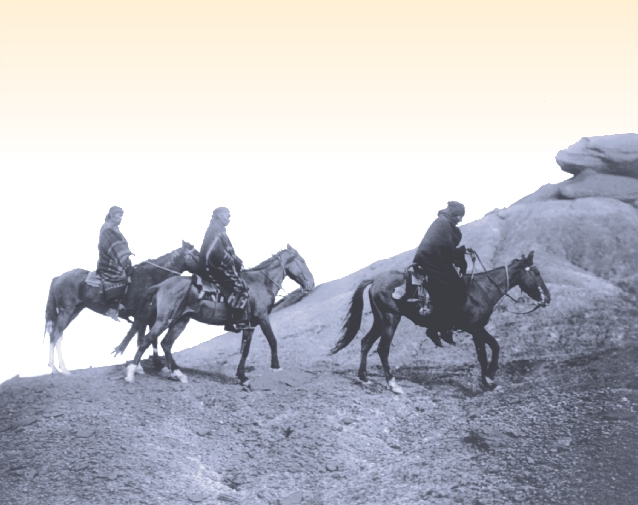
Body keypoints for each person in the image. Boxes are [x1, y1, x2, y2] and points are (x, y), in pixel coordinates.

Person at [413, 201, 468, 346]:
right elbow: (447, 248)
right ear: (454, 214)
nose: (459, 220)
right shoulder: (444, 223)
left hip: (429, 257)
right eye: (459, 216)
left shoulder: (443, 221)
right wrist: (458, 255)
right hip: (430, 260)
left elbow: (444, 246)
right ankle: (440, 328)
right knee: (454, 287)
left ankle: (443, 327)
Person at [198, 207, 251, 332]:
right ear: (220, 216)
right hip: (211, 266)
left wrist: (236, 259)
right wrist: (233, 261)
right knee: (238, 285)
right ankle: (235, 320)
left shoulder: (218, 229)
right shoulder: (215, 229)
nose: (229, 219)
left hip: (214, 264)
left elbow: (226, 250)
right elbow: (217, 251)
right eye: (227, 216)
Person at [97, 206, 133, 321]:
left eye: (121, 216)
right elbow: (113, 246)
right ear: (112, 216)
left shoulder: (114, 229)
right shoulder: (107, 229)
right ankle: (113, 306)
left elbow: (120, 245)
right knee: (121, 276)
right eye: (119, 216)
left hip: (117, 258)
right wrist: (124, 261)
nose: (121, 218)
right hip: (109, 261)